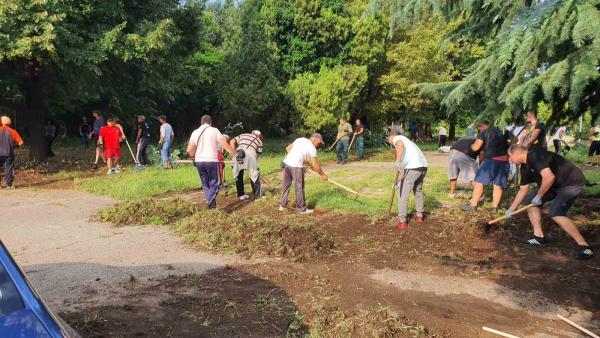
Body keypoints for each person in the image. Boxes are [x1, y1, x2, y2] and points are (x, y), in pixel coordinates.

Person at [505, 145, 593, 260]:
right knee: (529, 202)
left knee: (556, 213)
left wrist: (539, 196)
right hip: (554, 185)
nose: (509, 160)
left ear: (517, 153)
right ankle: (539, 237)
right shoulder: (524, 168)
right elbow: (523, 190)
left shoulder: (536, 155)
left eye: (510, 157)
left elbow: (549, 177)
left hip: (571, 183)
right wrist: (512, 208)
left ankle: (584, 246)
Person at [187, 115, 237, 209]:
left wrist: (193, 158)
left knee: (206, 184)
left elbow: (189, 150)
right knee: (216, 183)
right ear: (210, 122)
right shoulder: (214, 130)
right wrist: (236, 155)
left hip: (199, 161)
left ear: (201, 122)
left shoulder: (195, 132)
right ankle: (209, 201)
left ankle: (212, 207)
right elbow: (224, 144)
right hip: (211, 160)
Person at [460, 121, 509, 214]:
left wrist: (471, 146)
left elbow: (476, 147)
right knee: (498, 185)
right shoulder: (503, 130)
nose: (479, 130)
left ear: (483, 126)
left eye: (479, 128)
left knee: (479, 182)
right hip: (504, 161)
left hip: (491, 160)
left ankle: (473, 205)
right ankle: (494, 208)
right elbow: (515, 139)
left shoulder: (484, 132)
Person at [388, 128, 428, 230]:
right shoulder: (408, 142)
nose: (389, 141)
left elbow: (400, 145)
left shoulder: (397, 138)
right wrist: (398, 182)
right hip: (423, 166)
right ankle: (419, 216)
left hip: (413, 167)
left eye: (388, 138)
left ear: (391, 136)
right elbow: (404, 170)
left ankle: (402, 222)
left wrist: (397, 161)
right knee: (417, 190)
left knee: (403, 193)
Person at [279, 134, 328, 214]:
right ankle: (302, 209)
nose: (318, 145)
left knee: (285, 186)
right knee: (299, 188)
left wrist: (297, 159)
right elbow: (315, 165)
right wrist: (323, 175)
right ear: (314, 139)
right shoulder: (312, 148)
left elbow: (288, 148)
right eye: (318, 143)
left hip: (287, 164)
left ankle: (282, 206)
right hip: (297, 167)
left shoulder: (300, 139)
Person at [230, 130, 264, 200]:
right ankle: (258, 196)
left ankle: (241, 195)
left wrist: (233, 153)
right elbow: (257, 156)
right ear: (259, 136)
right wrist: (253, 167)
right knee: (254, 175)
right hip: (250, 155)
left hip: (238, 154)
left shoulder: (243, 135)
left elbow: (232, 141)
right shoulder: (259, 142)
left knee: (238, 176)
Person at [0, 116, 24, 189]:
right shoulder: (12, 131)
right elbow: (21, 142)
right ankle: (9, 185)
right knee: (9, 169)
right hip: (9, 153)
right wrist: (14, 146)